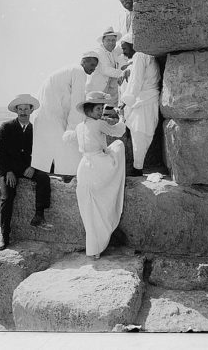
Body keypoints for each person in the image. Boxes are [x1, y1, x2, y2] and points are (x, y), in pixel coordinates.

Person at [67, 91, 127, 259]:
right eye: (97, 109)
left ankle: (94, 248)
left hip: (84, 167)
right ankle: (97, 245)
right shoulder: (99, 124)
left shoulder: (80, 127)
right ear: (89, 110)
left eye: (101, 108)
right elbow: (118, 132)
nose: (100, 112)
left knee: (89, 207)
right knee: (119, 145)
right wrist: (122, 118)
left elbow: (69, 138)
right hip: (98, 165)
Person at [0, 94, 51, 251]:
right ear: (16, 111)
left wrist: (34, 166)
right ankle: (5, 237)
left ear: (31, 111)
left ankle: (39, 215)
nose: (23, 112)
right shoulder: (6, 127)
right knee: (7, 197)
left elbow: (41, 151)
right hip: (8, 170)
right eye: (20, 109)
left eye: (26, 108)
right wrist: (7, 172)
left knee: (43, 178)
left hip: (26, 169)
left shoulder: (34, 129)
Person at [31, 52, 99, 178]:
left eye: (96, 66)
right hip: (53, 114)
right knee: (69, 146)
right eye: (92, 64)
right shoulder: (79, 72)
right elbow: (77, 104)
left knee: (49, 148)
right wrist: (74, 130)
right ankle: (69, 174)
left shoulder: (69, 70)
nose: (94, 69)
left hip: (45, 113)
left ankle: (54, 172)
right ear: (83, 61)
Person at [119, 32, 161, 176]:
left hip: (144, 101)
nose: (123, 52)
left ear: (132, 45)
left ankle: (137, 169)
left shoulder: (139, 56)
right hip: (148, 100)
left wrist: (124, 102)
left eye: (124, 48)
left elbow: (136, 82)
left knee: (140, 134)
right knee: (143, 134)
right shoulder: (148, 56)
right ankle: (138, 166)